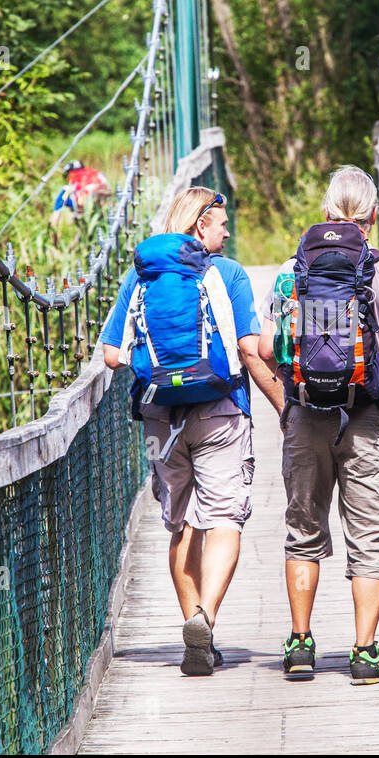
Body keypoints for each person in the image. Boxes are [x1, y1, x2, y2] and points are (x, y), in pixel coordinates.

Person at [256, 165, 379, 684]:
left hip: (306, 418)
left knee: (303, 531)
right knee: (369, 538)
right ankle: (364, 652)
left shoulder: (292, 271)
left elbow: (265, 350)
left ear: (325, 213)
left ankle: (301, 645)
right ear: (374, 217)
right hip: (366, 419)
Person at [101, 186, 281, 676]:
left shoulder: (141, 275)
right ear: (201, 225)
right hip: (221, 411)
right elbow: (249, 350)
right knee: (224, 517)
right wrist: (286, 408)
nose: (227, 231)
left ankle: (193, 634)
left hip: (161, 416)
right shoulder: (226, 273)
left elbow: (112, 355)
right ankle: (205, 618)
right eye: (221, 223)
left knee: (181, 523)